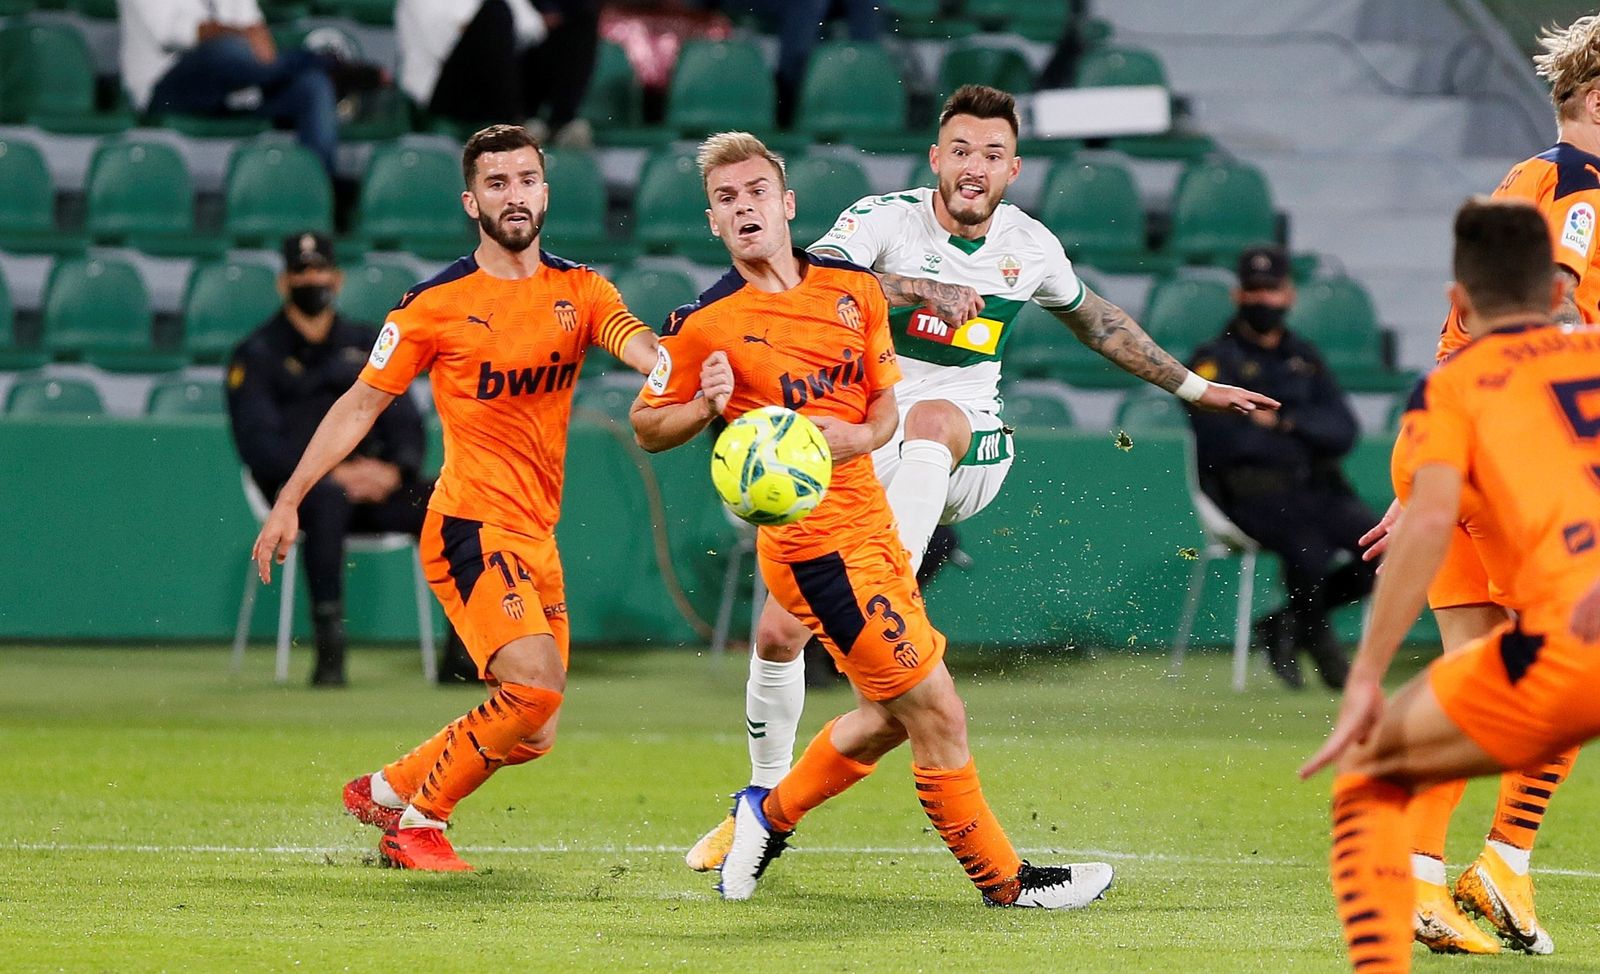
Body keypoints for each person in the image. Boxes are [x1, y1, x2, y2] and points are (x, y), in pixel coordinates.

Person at [684, 84, 1278, 873]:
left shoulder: (1030, 246)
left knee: (934, 420)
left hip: (969, 443)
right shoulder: (882, 220)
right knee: (778, 634)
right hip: (873, 443)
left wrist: (1196, 389)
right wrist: (919, 287)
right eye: (961, 149)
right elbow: (809, 278)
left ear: (1013, 169)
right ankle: (758, 807)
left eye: (993, 154)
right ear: (936, 158)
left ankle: (892, 583)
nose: (975, 165)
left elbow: (1098, 320)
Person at [632, 129, 1116, 907]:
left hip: (875, 530)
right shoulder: (701, 323)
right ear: (713, 222)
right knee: (937, 712)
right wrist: (702, 406)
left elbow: (886, 411)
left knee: (888, 717)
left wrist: (854, 437)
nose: (745, 208)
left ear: (787, 204)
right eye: (726, 199)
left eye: (757, 192)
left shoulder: (853, 292)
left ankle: (766, 815)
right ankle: (1007, 883)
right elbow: (647, 426)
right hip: (817, 550)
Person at [252, 125, 658, 870]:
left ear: (546, 191)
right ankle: (419, 825)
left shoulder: (582, 290)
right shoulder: (435, 303)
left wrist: (679, 369)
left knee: (535, 728)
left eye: (526, 180)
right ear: (472, 202)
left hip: (537, 534)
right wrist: (291, 498)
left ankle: (386, 788)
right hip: (469, 524)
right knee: (532, 686)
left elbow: (638, 344)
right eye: (496, 184)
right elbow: (359, 405)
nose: (514, 195)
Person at [1300, 196, 1600, 974]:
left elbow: (1427, 525)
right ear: (1559, 291)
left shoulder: (1453, 388)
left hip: (1567, 644)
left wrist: (1365, 677)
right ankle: (1498, 867)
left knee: (1372, 774)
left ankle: (1405, 928)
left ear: (1457, 299)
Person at [1357, 15, 1600, 954]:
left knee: (1478, 668)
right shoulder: (1581, 184)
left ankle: (1425, 879)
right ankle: (1502, 860)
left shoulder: (1527, 175)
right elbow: (1557, 305)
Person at [227, 232, 449, 687]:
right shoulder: (258, 353)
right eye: (302, 272)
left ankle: (466, 652)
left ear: (338, 278)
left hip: (375, 489)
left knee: (445, 499)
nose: (313, 280)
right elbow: (258, 444)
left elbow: (406, 421)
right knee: (327, 497)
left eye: (321, 270)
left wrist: (394, 470)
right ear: (284, 282)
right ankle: (330, 653)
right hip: (303, 494)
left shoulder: (367, 342)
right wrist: (330, 473)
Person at [1184, 246, 1377, 692]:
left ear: (1289, 294)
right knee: (1308, 549)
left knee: (1384, 549)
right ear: (1237, 295)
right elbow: (1223, 442)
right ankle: (1323, 648)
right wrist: (1302, 436)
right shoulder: (1214, 360)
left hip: (1317, 487)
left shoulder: (1304, 357)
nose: (1263, 300)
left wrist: (1284, 422)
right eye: (1253, 290)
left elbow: (1343, 431)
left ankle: (1287, 623)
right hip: (1250, 493)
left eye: (1271, 290)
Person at [117, 0, 378, 174]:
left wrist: (255, 44)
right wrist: (243, 37)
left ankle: (317, 204)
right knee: (226, 50)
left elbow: (260, 39)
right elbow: (170, 33)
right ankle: (324, 63)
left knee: (314, 87)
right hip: (168, 92)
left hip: (240, 89)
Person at [396, 0, 601, 148]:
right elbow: (443, 45)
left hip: (500, 80)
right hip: (444, 89)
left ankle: (561, 122)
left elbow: (531, 28)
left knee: (580, 16)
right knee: (495, 14)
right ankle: (514, 124)